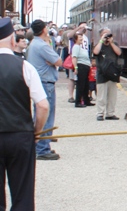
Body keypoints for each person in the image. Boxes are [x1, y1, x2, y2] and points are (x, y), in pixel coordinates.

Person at [0, 17, 50, 211]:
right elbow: (43, 106)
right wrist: (36, 132)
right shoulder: (24, 66)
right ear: (13, 40)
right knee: (23, 195)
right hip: (20, 135)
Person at [24, 19, 62, 160]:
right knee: (45, 115)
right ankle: (42, 148)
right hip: (46, 82)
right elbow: (59, 61)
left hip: (40, 82)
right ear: (44, 30)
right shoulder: (42, 45)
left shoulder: (34, 44)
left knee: (39, 114)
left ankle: (41, 145)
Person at [93, 27, 122, 121]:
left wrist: (111, 42)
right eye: (105, 34)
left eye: (108, 34)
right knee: (101, 96)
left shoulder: (114, 44)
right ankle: (100, 113)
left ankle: (110, 113)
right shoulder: (98, 45)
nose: (107, 36)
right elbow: (95, 52)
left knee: (112, 95)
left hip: (112, 72)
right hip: (102, 72)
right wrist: (101, 41)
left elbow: (118, 52)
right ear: (101, 35)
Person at [71, 32, 92, 107]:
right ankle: (78, 102)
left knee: (86, 85)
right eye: (79, 37)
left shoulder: (80, 47)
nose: (81, 39)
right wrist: (76, 67)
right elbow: (74, 58)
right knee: (80, 85)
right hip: (81, 66)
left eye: (81, 37)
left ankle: (86, 100)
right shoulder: (76, 47)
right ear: (75, 39)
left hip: (85, 66)